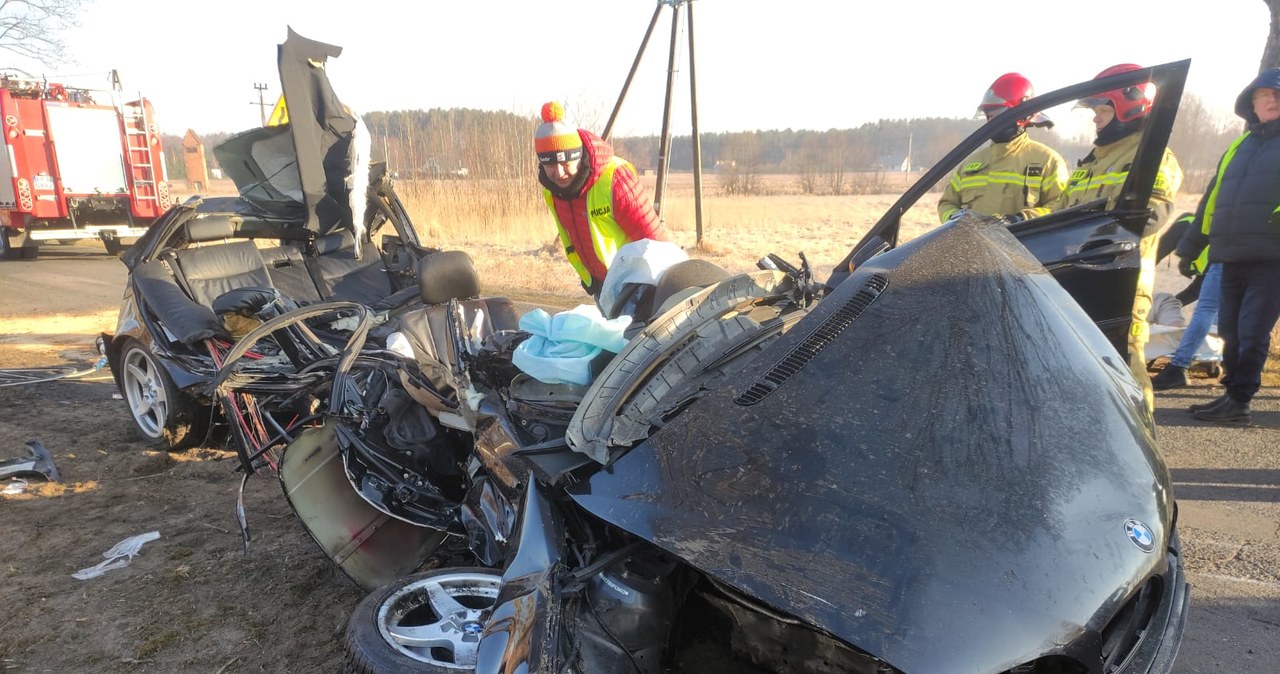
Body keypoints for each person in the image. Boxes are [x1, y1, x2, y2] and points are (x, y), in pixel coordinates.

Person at [1056, 64, 1183, 414]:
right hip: (1073, 282)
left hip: (1119, 285)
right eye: (1094, 111)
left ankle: (1140, 453)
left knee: (1124, 373)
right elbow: (1059, 218)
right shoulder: (1090, 163)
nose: (1095, 119)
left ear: (1131, 103)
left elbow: (1149, 218)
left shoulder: (1150, 157)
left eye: (1102, 109)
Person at [1176, 68, 1280, 423]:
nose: (1272, 100)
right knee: (1229, 330)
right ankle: (1231, 395)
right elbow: (1212, 199)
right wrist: (1192, 245)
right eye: (1264, 94)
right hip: (1229, 254)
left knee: (1252, 330)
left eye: (1277, 94)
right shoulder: (1240, 144)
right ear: (1252, 102)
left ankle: (1241, 401)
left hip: (1271, 255)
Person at [535, 101, 671, 297]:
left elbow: (653, 237)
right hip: (601, 288)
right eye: (550, 165)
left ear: (578, 155)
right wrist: (589, 278)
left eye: (565, 163)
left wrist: (670, 286)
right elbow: (571, 238)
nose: (559, 172)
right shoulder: (552, 192)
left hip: (639, 287)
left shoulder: (615, 178)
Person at [938, 73, 1068, 223]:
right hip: (973, 246)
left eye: (997, 115)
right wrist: (956, 219)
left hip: (1022, 245)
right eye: (988, 116)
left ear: (1022, 116)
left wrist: (1021, 219)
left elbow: (1059, 207)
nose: (991, 122)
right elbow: (947, 203)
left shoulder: (1048, 161)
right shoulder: (971, 163)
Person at [1150, 216, 1220, 391]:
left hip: (1228, 261)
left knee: (1210, 310)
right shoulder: (1188, 229)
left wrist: (1172, 304)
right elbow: (1151, 260)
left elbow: (1198, 290)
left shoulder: (1198, 234)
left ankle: (1185, 361)